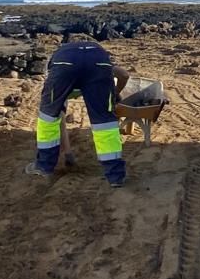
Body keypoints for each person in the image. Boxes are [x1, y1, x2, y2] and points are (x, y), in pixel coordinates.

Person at [33, 37, 131, 187]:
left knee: (48, 117)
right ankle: (115, 177)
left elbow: (59, 116)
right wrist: (114, 95)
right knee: (105, 124)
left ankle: (44, 167)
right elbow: (124, 75)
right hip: (98, 62)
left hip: (65, 65)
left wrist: (68, 153)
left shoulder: (59, 59)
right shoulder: (100, 57)